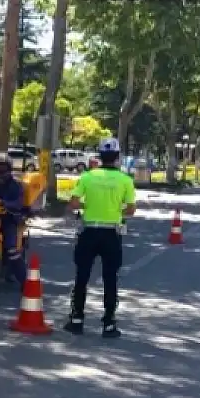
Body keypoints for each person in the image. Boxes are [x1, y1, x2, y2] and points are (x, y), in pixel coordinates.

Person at [65, 138, 136, 338]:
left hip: (88, 232)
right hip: (111, 234)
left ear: (99, 156)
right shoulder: (125, 180)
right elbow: (130, 209)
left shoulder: (87, 177)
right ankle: (109, 324)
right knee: (110, 279)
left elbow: (73, 203)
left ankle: (77, 319)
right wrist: (116, 211)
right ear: (117, 157)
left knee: (82, 276)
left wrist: (88, 207)